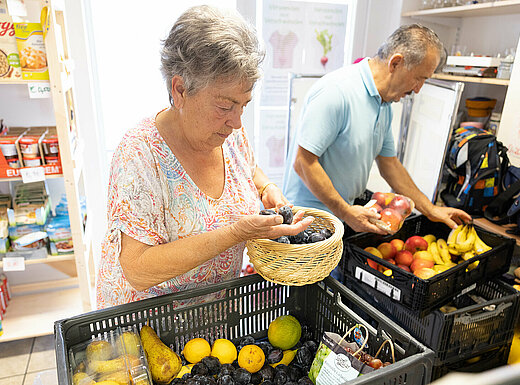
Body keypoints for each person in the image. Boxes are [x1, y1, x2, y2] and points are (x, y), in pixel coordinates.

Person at [96, 6, 312, 309]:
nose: (237, 122)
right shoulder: (139, 154)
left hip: (212, 319)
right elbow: (137, 269)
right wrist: (235, 233)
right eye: (225, 106)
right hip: (148, 328)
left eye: (243, 105)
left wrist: (267, 189)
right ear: (180, 89)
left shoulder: (229, 133)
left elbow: (249, 170)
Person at [283, 24, 471, 235]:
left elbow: (389, 163)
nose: (418, 90)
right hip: (307, 223)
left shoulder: (384, 103)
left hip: (340, 217)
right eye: (419, 78)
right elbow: (303, 162)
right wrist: (345, 212)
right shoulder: (337, 91)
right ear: (396, 62)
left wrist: (431, 209)